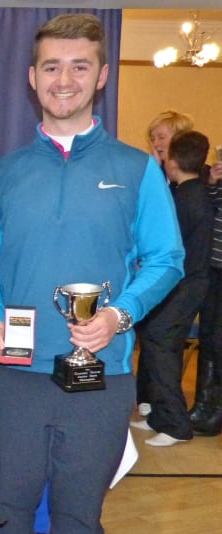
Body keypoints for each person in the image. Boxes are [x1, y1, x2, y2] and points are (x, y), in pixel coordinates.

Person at [0, 13, 184, 532]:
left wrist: (118, 314)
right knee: (7, 516)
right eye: (51, 67)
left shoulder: (137, 169)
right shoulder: (0, 174)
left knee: (78, 519)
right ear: (31, 77)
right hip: (14, 377)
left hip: (101, 377)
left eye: (78, 66)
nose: (63, 80)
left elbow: (167, 259)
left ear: (102, 75)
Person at [131, 130, 212, 447]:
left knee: (161, 345)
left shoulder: (182, 199)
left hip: (184, 285)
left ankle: (176, 424)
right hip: (190, 284)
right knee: (160, 344)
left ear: (172, 162)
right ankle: (159, 416)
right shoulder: (195, 193)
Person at [191, 146, 222, 436]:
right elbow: (214, 207)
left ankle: (215, 410)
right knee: (209, 339)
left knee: (218, 341)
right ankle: (204, 405)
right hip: (214, 267)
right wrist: (213, 183)